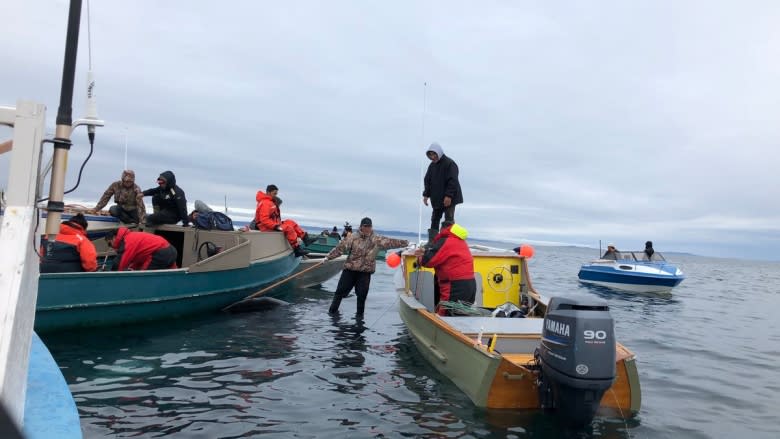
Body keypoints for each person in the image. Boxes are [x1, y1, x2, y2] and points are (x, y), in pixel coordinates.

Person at [326, 217, 409, 316]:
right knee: (339, 292)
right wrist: (328, 257)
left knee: (362, 296)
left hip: (365, 273)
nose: (367, 229)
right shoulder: (353, 237)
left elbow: (390, 242)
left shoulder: (376, 238)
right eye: (365, 226)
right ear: (361, 227)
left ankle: (359, 319)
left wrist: (407, 243)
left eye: (369, 226)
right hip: (350, 270)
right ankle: (332, 313)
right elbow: (340, 248)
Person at [414, 221, 476, 316]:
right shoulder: (460, 241)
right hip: (470, 285)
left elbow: (428, 261)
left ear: (442, 229)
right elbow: (444, 254)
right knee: (462, 315)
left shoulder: (445, 240)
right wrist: (427, 251)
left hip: (454, 287)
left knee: (446, 317)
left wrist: (419, 259)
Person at [254, 184, 315, 257]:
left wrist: (277, 224)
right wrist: (275, 226)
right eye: (274, 193)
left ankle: (305, 238)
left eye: (276, 194)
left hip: (273, 224)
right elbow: (264, 220)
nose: (275, 195)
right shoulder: (265, 203)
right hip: (266, 227)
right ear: (268, 192)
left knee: (291, 222)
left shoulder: (269, 202)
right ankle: (296, 249)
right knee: (288, 228)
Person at [422, 142, 463, 243]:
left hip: (450, 198)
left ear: (439, 153)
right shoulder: (431, 166)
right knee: (435, 218)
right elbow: (427, 180)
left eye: (434, 154)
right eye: (430, 155)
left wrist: (448, 196)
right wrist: (426, 195)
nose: (432, 157)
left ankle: (445, 242)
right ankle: (432, 242)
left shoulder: (450, 163)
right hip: (437, 198)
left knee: (448, 219)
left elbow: (453, 180)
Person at [105, 227, 178, 271]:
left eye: (109, 243)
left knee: (144, 276)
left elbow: (120, 263)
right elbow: (138, 259)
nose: (111, 246)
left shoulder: (127, 242)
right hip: (170, 250)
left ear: (114, 238)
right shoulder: (132, 236)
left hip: (160, 253)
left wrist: (110, 275)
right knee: (172, 272)